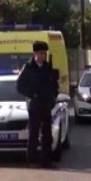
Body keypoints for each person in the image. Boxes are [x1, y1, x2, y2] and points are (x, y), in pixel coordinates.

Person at [15, 41, 60, 169]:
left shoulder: (47, 67)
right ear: (35, 53)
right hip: (34, 105)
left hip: (46, 105)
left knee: (47, 134)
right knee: (33, 133)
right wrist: (32, 95)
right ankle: (32, 160)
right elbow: (19, 86)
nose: (43, 55)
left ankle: (46, 160)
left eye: (45, 53)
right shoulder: (28, 68)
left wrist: (53, 97)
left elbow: (54, 84)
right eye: (41, 53)